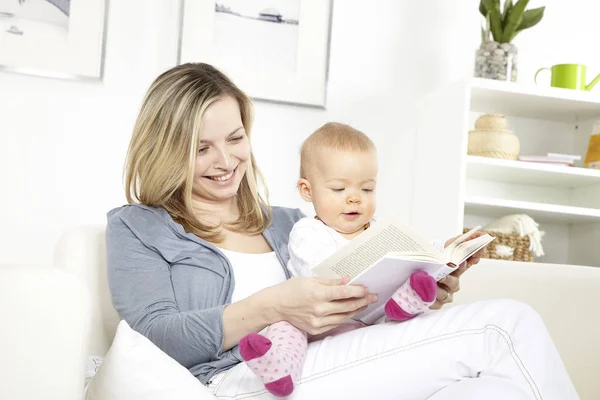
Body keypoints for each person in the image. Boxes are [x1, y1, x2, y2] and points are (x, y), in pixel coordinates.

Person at [106, 62, 579, 399]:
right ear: (167, 147)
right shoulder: (138, 227)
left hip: (336, 356)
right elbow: (157, 335)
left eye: (235, 138)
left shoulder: (294, 222)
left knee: (494, 389)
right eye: (202, 148)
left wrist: (424, 284)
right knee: (505, 325)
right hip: (244, 380)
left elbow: (359, 289)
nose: (227, 161)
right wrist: (270, 306)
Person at [238, 122, 439, 397]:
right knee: (284, 326)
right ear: (308, 191)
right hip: (318, 322)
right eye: (338, 189)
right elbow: (317, 270)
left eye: (367, 189)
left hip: (372, 315)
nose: (355, 199)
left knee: (411, 310)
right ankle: (280, 367)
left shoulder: (380, 230)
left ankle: (404, 305)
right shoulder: (308, 231)